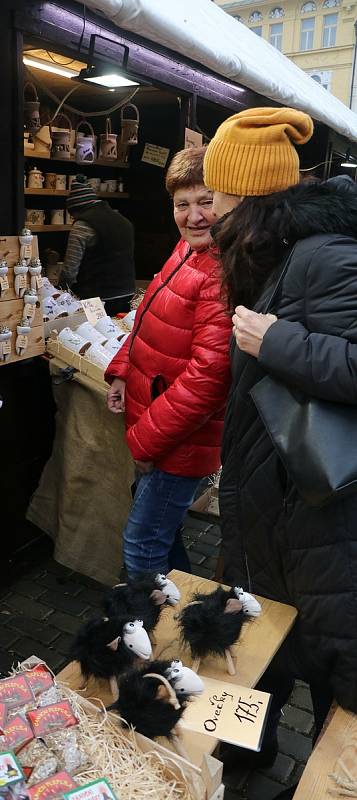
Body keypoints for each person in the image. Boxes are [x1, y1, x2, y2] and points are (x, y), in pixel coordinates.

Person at [203, 107, 357, 776]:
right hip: (279, 508)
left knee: (335, 667)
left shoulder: (324, 257)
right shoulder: (268, 255)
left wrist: (279, 343)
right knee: (268, 643)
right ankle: (243, 759)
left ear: (245, 194)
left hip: (325, 518)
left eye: (214, 192)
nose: (206, 207)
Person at [105, 147, 232, 578]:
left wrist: (145, 443)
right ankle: (182, 619)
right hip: (161, 430)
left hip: (178, 444)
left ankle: (150, 633)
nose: (194, 216)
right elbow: (147, 319)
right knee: (165, 534)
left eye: (206, 202)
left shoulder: (221, 274)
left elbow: (209, 379)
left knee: (142, 549)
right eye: (182, 204)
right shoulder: (185, 251)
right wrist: (122, 370)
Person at [58, 175, 135, 316]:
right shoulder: (124, 221)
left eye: (72, 215)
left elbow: (70, 271)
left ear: (77, 208)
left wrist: (60, 293)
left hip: (97, 299)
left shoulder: (82, 225)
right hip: (128, 293)